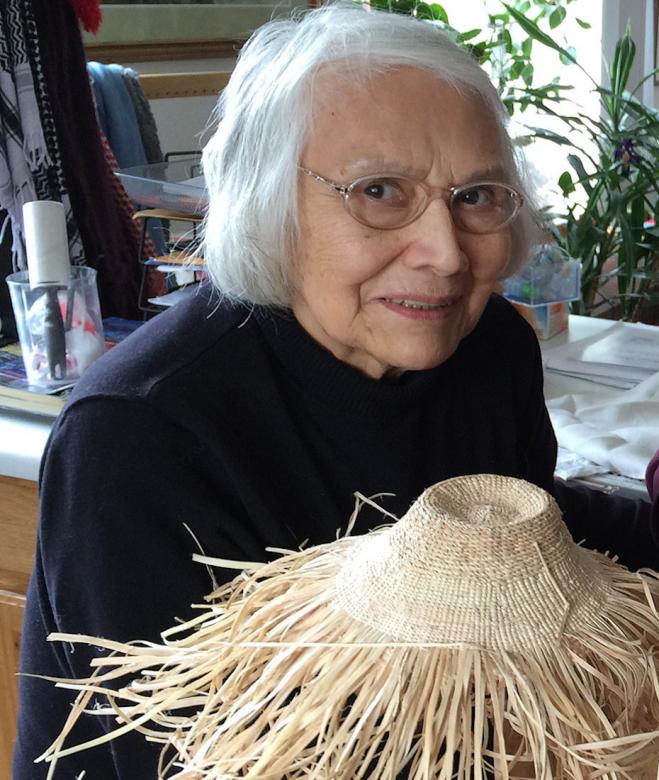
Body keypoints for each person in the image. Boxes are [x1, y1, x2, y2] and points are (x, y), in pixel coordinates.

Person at [14, 4, 659, 778]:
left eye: (476, 196)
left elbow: (522, 527)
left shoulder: (488, 350)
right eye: (379, 190)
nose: (446, 254)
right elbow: (190, 756)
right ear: (268, 203)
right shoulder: (141, 433)